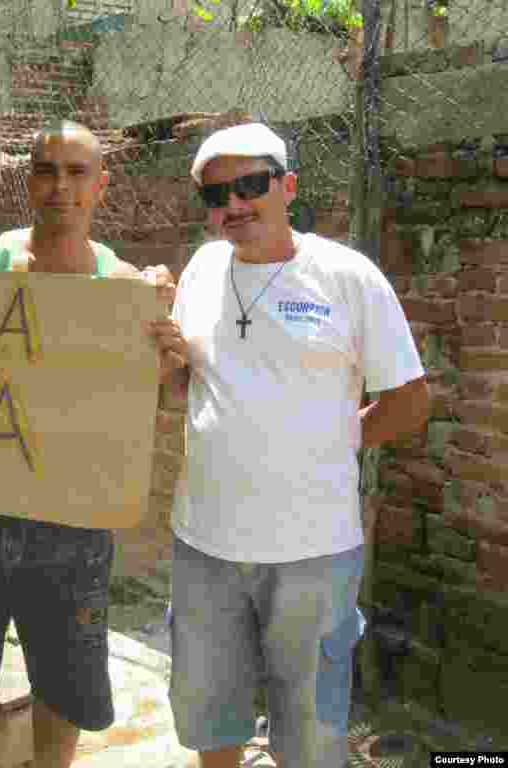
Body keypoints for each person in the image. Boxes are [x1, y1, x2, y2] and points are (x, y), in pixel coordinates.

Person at [152, 122, 430, 768]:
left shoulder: (345, 277)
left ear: (288, 187)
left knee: (310, 734)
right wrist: (169, 366)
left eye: (252, 184)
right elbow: (187, 389)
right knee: (208, 715)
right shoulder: (201, 269)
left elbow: (410, 401)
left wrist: (328, 440)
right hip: (205, 543)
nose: (234, 205)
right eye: (217, 194)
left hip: (314, 551)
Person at [0, 120, 174, 768]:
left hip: (72, 527)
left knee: (66, 700)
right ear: (29, 183)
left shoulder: (125, 289)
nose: (61, 187)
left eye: (77, 173)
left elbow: (134, 420)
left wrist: (162, 372)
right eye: (47, 171)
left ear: (101, 186)